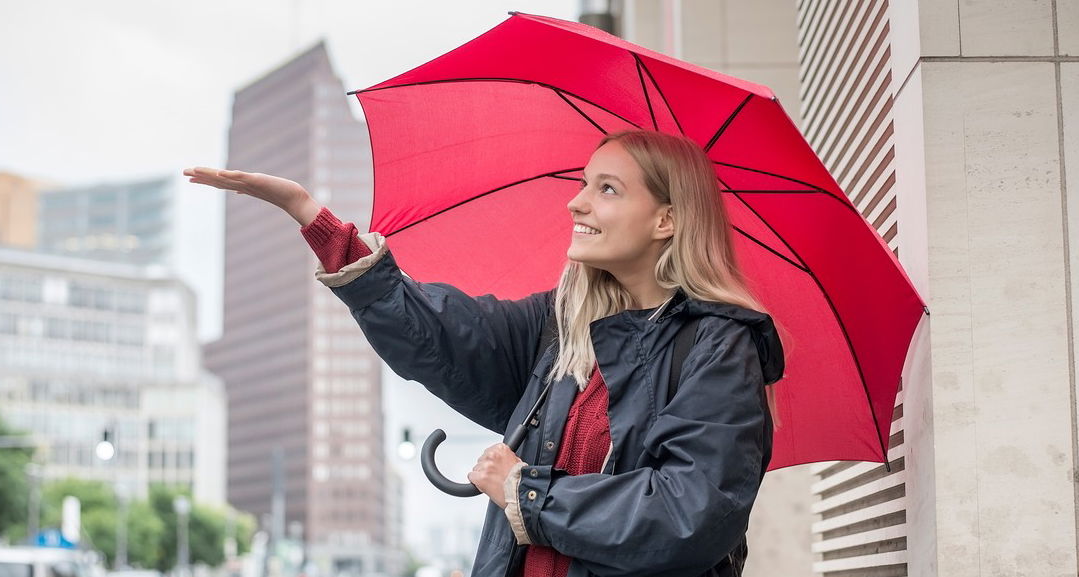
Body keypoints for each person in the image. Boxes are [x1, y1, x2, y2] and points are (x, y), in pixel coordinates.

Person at [185, 130, 783, 577]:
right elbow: (441, 336)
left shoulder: (718, 345)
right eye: (583, 184)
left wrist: (526, 492)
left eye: (606, 189)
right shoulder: (561, 329)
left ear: (666, 220)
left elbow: (691, 514)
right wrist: (314, 220)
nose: (577, 204)